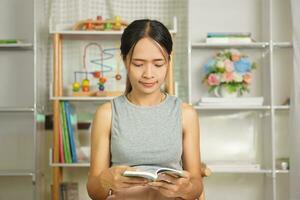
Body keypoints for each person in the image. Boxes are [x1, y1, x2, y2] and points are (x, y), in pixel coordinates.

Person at [87, 19, 203, 200]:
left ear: (168, 62)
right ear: (125, 61)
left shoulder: (186, 113)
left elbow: (196, 183)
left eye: (158, 64)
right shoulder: (107, 113)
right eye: (138, 64)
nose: (148, 74)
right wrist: (105, 181)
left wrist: (185, 189)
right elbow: (94, 190)